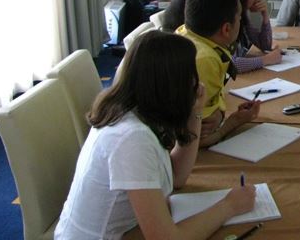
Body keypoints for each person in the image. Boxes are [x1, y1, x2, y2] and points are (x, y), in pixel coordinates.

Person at [55, 31, 256, 239]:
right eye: (191, 76)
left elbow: (177, 177)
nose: (197, 83)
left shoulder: (140, 111)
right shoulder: (131, 139)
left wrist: (195, 112)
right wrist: (229, 206)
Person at [177, 0, 261, 147]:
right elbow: (199, 139)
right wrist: (234, 121)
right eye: (239, 17)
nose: (241, 21)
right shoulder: (205, 60)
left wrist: (219, 112)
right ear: (226, 29)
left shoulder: (185, 31)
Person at [218, 0, 282, 72]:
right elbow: (231, 64)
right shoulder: (224, 21)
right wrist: (266, 59)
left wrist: (265, 15)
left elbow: (264, 45)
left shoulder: (241, 15)